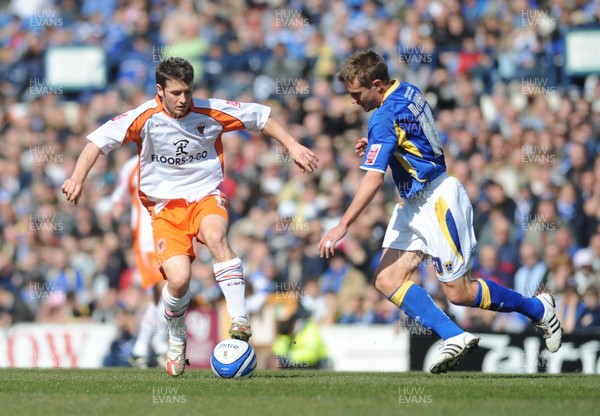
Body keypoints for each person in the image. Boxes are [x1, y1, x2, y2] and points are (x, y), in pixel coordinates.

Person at [62, 57, 319, 377]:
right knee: (179, 280)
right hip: (164, 210)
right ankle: (175, 334)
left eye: (188, 91)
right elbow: (96, 142)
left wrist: (293, 146)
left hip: (205, 197)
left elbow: (261, 115)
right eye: (176, 93)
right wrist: (77, 177)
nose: (184, 99)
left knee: (215, 236)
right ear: (160, 90)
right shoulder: (144, 117)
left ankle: (239, 318)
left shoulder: (210, 110)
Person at [318, 50, 562, 374]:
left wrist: (342, 225)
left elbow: (374, 178)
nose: (353, 101)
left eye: (356, 94)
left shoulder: (381, 117)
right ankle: (454, 335)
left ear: (376, 85)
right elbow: (411, 131)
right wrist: (380, 142)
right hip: (413, 204)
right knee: (386, 279)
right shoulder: (407, 90)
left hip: (437, 200)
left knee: (459, 293)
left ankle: (537, 308)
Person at [111, 155, 168, 368]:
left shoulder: (171, 158)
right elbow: (119, 197)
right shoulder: (132, 166)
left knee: (164, 294)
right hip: (147, 241)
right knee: (163, 290)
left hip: (172, 236)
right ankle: (157, 344)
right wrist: (117, 209)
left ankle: (142, 347)